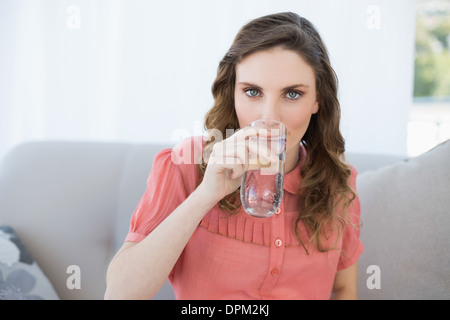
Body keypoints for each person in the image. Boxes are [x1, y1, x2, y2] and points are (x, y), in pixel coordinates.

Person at [105, 12, 363, 300]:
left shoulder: (338, 182)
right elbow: (120, 294)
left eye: (292, 94)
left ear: (318, 100)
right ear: (233, 93)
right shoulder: (188, 162)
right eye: (253, 91)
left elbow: (343, 290)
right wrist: (206, 193)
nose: (269, 117)